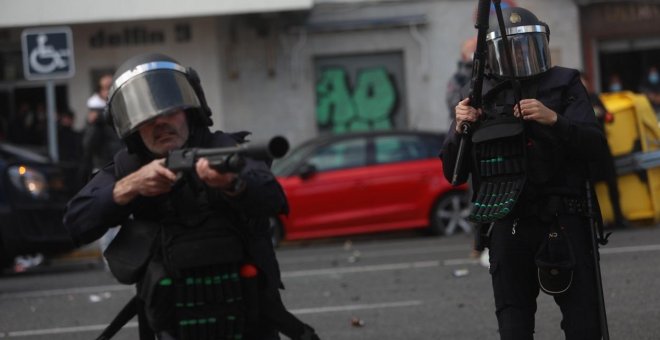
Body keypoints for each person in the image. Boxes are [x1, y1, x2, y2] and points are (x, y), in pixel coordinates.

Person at [63, 53, 319, 340]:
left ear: (189, 110)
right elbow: (75, 223)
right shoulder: (128, 167)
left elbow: (273, 197)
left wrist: (233, 184)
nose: (161, 123)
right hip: (171, 325)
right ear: (131, 128)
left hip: (247, 321)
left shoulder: (223, 147)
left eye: (169, 111)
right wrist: (128, 187)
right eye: (147, 119)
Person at [441, 7, 609, 339]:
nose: (519, 54)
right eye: (510, 48)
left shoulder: (564, 82)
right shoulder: (479, 95)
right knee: (514, 325)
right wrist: (460, 127)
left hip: (563, 220)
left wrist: (554, 120)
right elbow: (454, 173)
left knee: (583, 324)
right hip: (507, 223)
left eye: (527, 45)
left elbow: (595, 147)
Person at [581, 73, 629, 229]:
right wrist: (593, 113)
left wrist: (604, 114)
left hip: (603, 147)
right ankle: (595, 222)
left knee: (612, 183)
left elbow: (609, 117)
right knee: (590, 188)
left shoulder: (595, 97)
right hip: (588, 150)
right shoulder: (575, 100)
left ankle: (619, 218)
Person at [445, 36, 477, 121]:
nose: (475, 53)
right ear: (464, 55)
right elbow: (453, 105)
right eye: (472, 50)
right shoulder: (458, 78)